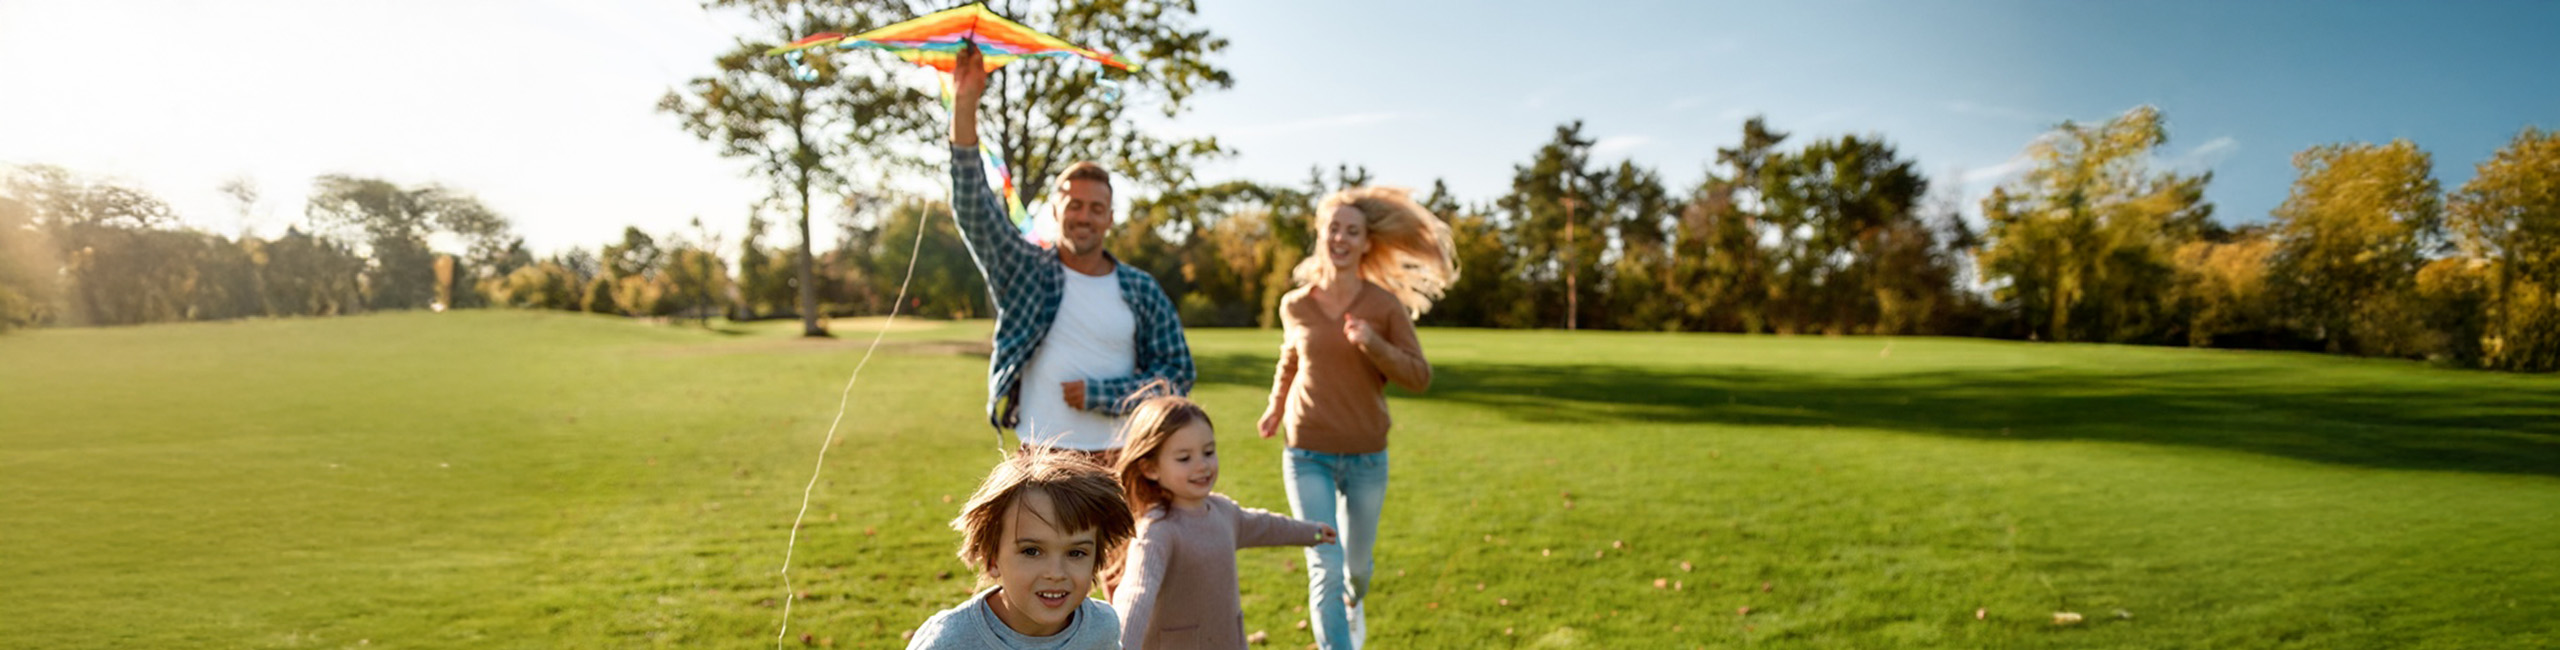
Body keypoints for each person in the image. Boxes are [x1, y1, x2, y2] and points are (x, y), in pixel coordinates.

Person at [947, 41, 1195, 467]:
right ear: (1055, 211)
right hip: (1039, 458)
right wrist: (965, 102)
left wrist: (1104, 395)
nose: (1084, 216)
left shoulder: (1140, 288)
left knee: (1128, 540)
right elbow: (973, 204)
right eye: (1074, 205)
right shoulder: (1024, 270)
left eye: (1096, 208)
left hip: (1124, 460)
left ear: (1110, 218)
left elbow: (1178, 374)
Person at [1256, 186, 1456, 650]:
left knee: (1356, 570)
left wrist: (1374, 344)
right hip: (1306, 453)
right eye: (1333, 229)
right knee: (1324, 562)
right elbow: (1290, 358)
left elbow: (1419, 376)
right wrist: (1275, 405)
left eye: (1353, 231)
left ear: (1367, 243)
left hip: (1367, 457)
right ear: (1319, 234)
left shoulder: (1383, 306)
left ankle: (1354, 601)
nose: (1341, 238)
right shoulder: (1296, 304)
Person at [1104, 395, 1336, 650]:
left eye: (1208, 452)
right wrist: (1120, 645)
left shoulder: (1223, 511)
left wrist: (1312, 533)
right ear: (1150, 468)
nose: (1202, 465)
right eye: (1184, 458)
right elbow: (1137, 594)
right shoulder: (1157, 531)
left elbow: (1267, 526)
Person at [906, 451, 1137, 650]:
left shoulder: (1102, 628)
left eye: (1075, 553)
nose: (1056, 573)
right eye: (1032, 551)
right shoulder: (950, 640)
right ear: (991, 559)